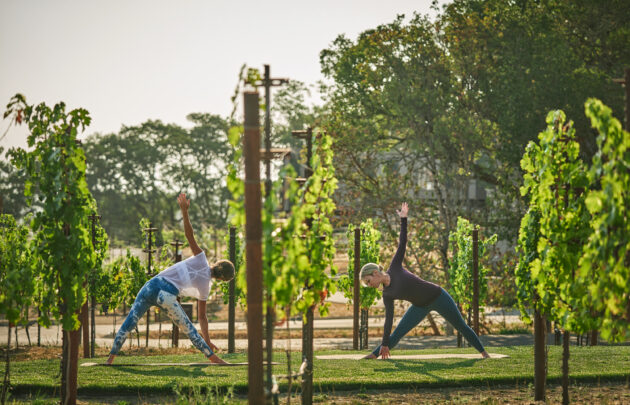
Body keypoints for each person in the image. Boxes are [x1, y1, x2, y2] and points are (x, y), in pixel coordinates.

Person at [106, 193, 235, 365]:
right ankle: (212, 357)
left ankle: (110, 358)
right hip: (165, 295)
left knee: (130, 322)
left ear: (217, 263)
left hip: (150, 286)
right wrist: (208, 340)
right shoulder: (205, 287)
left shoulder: (201, 258)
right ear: (222, 280)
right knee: (188, 328)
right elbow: (202, 318)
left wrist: (184, 211)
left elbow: (190, 236)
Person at [362, 202, 490, 360]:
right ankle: (374, 356)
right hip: (419, 307)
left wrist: (403, 219)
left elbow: (402, 243)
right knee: (398, 332)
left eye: (368, 281)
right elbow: (388, 320)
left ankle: (484, 354)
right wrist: (385, 343)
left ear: (375, 273)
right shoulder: (387, 294)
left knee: (461, 326)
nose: (369, 285)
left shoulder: (394, 267)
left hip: (438, 296)